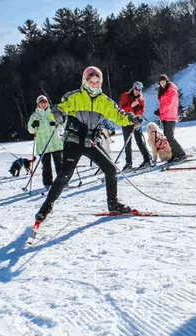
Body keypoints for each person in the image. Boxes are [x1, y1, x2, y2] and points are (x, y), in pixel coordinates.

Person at [34, 66, 143, 223]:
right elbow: (58, 109)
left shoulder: (104, 101)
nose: (94, 84)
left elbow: (118, 115)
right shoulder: (74, 97)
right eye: (91, 81)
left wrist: (132, 119)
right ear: (85, 81)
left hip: (92, 141)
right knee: (65, 176)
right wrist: (57, 115)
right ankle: (46, 207)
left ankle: (113, 203)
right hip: (74, 140)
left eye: (97, 82)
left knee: (110, 169)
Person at [27, 95, 63, 190]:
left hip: (55, 142)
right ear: (38, 104)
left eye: (45, 102)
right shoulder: (35, 115)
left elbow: (61, 125)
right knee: (46, 166)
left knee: (59, 163)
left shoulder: (52, 113)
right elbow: (30, 130)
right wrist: (33, 125)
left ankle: (62, 182)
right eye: (41, 102)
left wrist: (56, 124)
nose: (43, 104)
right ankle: (48, 183)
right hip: (43, 144)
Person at [120, 81, 151, 170]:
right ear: (133, 88)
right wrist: (131, 105)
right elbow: (122, 109)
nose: (137, 91)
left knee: (139, 141)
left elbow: (142, 111)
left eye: (139, 90)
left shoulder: (141, 99)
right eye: (136, 89)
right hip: (126, 122)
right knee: (127, 143)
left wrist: (137, 110)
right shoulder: (126, 95)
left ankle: (147, 160)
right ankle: (128, 163)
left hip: (136, 122)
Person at [156, 74, 187, 162]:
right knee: (167, 136)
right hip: (165, 116)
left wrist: (160, 110)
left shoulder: (171, 89)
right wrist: (159, 110)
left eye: (163, 81)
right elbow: (163, 103)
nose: (162, 83)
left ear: (167, 81)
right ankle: (174, 154)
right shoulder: (162, 90)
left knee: (170, 136)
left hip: (170, 115)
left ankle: (181, 154)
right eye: (161, 82)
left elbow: (169, 103)